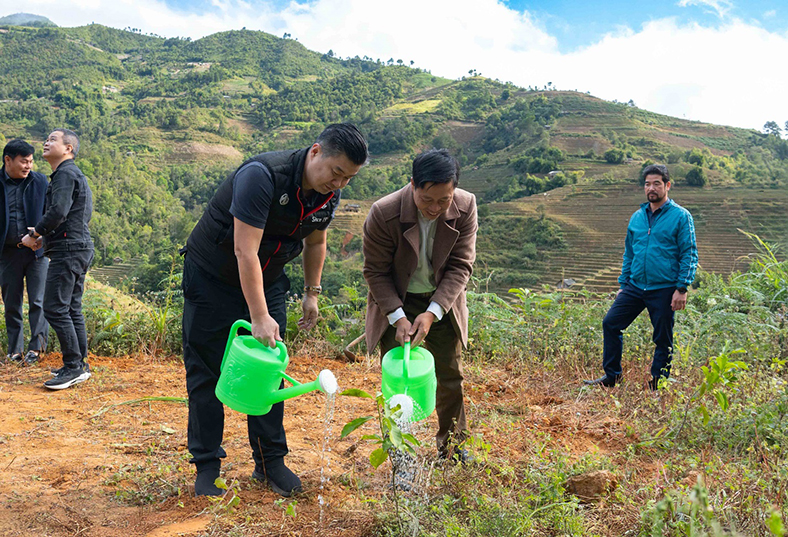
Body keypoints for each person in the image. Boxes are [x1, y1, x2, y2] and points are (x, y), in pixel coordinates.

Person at [181, 123, 368, 497]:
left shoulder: (326, 196)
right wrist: (259, 316)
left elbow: (316, 242)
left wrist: (311, 292)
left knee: (270, 373)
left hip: (269, 278)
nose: (340, 184)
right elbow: (244, 251)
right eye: (336, 173)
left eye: (348, 178)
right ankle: (207, 466)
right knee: (206, 370)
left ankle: (270, 463)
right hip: (212, 277)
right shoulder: (262, 176)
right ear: (316, 152)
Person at [363, 149, 478, 461]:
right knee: (398, 380)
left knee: (449, 375)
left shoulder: (465, 206)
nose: (436, 208)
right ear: (412, 184)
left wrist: (433, 312)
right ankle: (399, 454)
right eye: (427, 199)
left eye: (444, 200)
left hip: (441, 300)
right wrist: (397, 317)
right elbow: (375, 271)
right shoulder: (383, 213)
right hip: (396, 300)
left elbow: (460, 267)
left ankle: (452, 449)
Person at [584, 164, 698, 390]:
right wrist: (624, 284)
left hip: (664, 288)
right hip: (635, 286)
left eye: (657, 183)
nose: (651, 188)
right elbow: (630, 252)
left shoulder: (681, 216)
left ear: (667, 185)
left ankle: (658, 384)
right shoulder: (637, 217)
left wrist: (682, 288)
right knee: (611, 323)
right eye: (647, 184)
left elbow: (689, 253)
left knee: (663, 339)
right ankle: (612, 377)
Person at [22, 129, 94, 390]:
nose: (46, 142)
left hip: (69, 250)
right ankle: (80, 365)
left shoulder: (65, 174)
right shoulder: (73, 174)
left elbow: (58, 210)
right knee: (71, 307)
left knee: (54, 307)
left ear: (68, 149)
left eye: (53, 139)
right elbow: (80, 213)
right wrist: (46, 237)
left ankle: (74, 366)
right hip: (77, 245)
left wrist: (38, 233)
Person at [0, 139, 49, 365]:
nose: (28, 166)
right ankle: (14, 350)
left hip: (37, 253)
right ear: (8, 160)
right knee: (12, 303)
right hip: (8, 253)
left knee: (38, 301)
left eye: (31, 161)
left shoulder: (40, 182)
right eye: (23, 161)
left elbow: (52, 215)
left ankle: (36, 349)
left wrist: (41, 239)